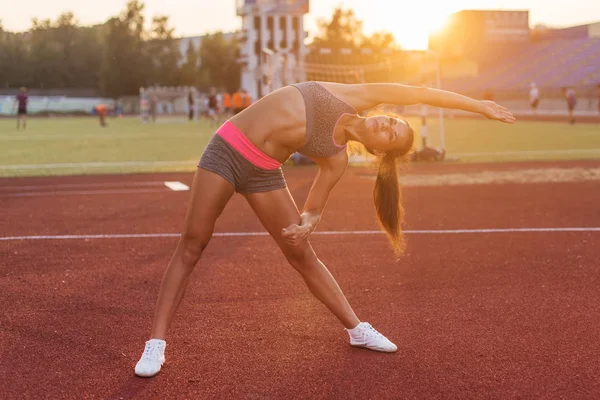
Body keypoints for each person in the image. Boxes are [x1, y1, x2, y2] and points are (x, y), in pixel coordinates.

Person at [134, 81, 515, 377]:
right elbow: (418, 91)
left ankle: (357, 329)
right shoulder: (354, 95)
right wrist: (478, 105)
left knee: (302, 254)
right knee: (193, 245)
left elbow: (313, 209)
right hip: (228, 150)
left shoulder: (336, 159)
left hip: (264, 171)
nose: (388, 125)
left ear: (379, 150)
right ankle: (156, 343)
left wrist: (306, 224)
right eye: (395, 122)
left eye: (390, 135)